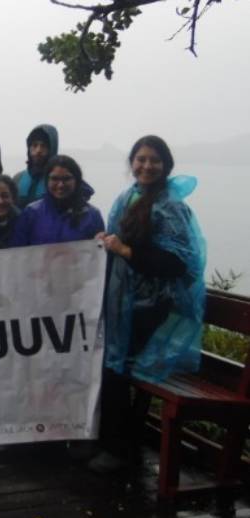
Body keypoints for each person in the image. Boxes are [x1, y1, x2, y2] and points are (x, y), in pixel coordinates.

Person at [90, 136, 206, 472]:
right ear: (132, 163)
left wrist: (126, 251)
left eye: (154, 160)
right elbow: (117, 239)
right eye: (140, 159)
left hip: (151, 308)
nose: (146, 166)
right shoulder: (129, 197)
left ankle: (118, 449)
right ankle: (112, 442)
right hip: (124, 303)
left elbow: (179, 263)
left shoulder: (172, 206)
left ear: (166, 165)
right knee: (112, 368)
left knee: (121, 371)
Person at [11, 155, 104, 246]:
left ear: (77, 181)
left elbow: (100, 255)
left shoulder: (92, 216)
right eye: (54, 179)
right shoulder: (31, 213)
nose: (60, 185)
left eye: (66, 179)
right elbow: (18, 252)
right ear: (46, 181)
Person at [12, 124, 59, 208]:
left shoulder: (59, 181)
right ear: (29, 148)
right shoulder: (18, 179)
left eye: (43, 146)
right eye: (34, 145)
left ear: (51, 149)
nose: (38, 150)